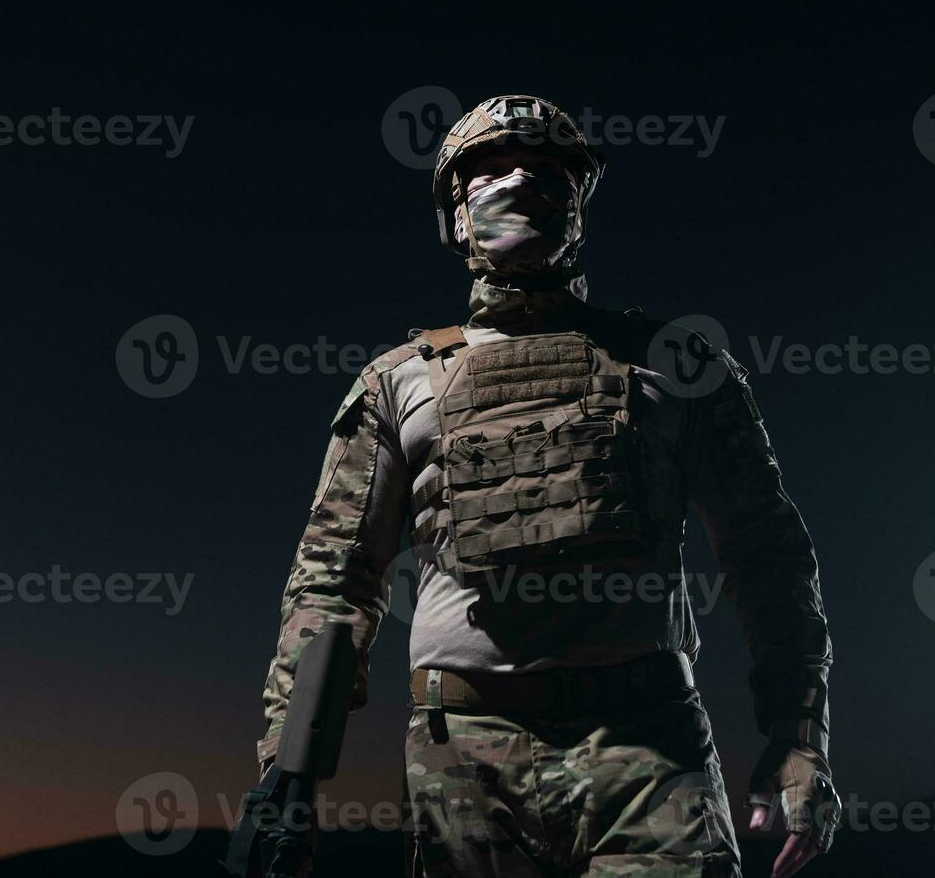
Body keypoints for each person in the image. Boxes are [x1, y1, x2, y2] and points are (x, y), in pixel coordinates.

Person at [258, 95, 838, 877]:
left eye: (546, 168)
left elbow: (768, 556)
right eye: (488, 168)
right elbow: (335, 583)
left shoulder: (678, 366)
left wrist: (800, 735)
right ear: (454, 212)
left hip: (647, 748)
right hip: (463, 760)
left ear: (578, 203)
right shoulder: (397, 385)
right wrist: (287, 771)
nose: (519, 177)